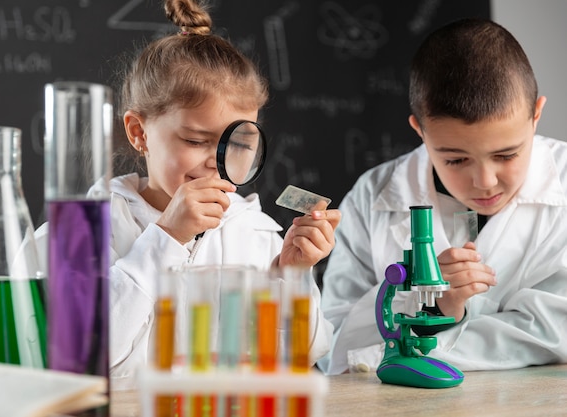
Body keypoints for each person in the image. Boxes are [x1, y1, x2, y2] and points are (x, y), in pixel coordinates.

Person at [77, 0, 340, 389]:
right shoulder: (85, 229)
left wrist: (292, 277)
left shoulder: (256, 232)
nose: (218, 164)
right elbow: (80, 357)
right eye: (196, 140)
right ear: (139, 132)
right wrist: (164, 239)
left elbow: (303, 356)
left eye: (239, 143)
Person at [317, 18, 567, 376]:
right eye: (455, 159)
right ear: (420, 130)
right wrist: (437, 308)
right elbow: (338, 347)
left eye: (506, 155)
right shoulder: (371, 196)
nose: (484, 181)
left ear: (536, 116)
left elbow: (556, 333)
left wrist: (422, 329)